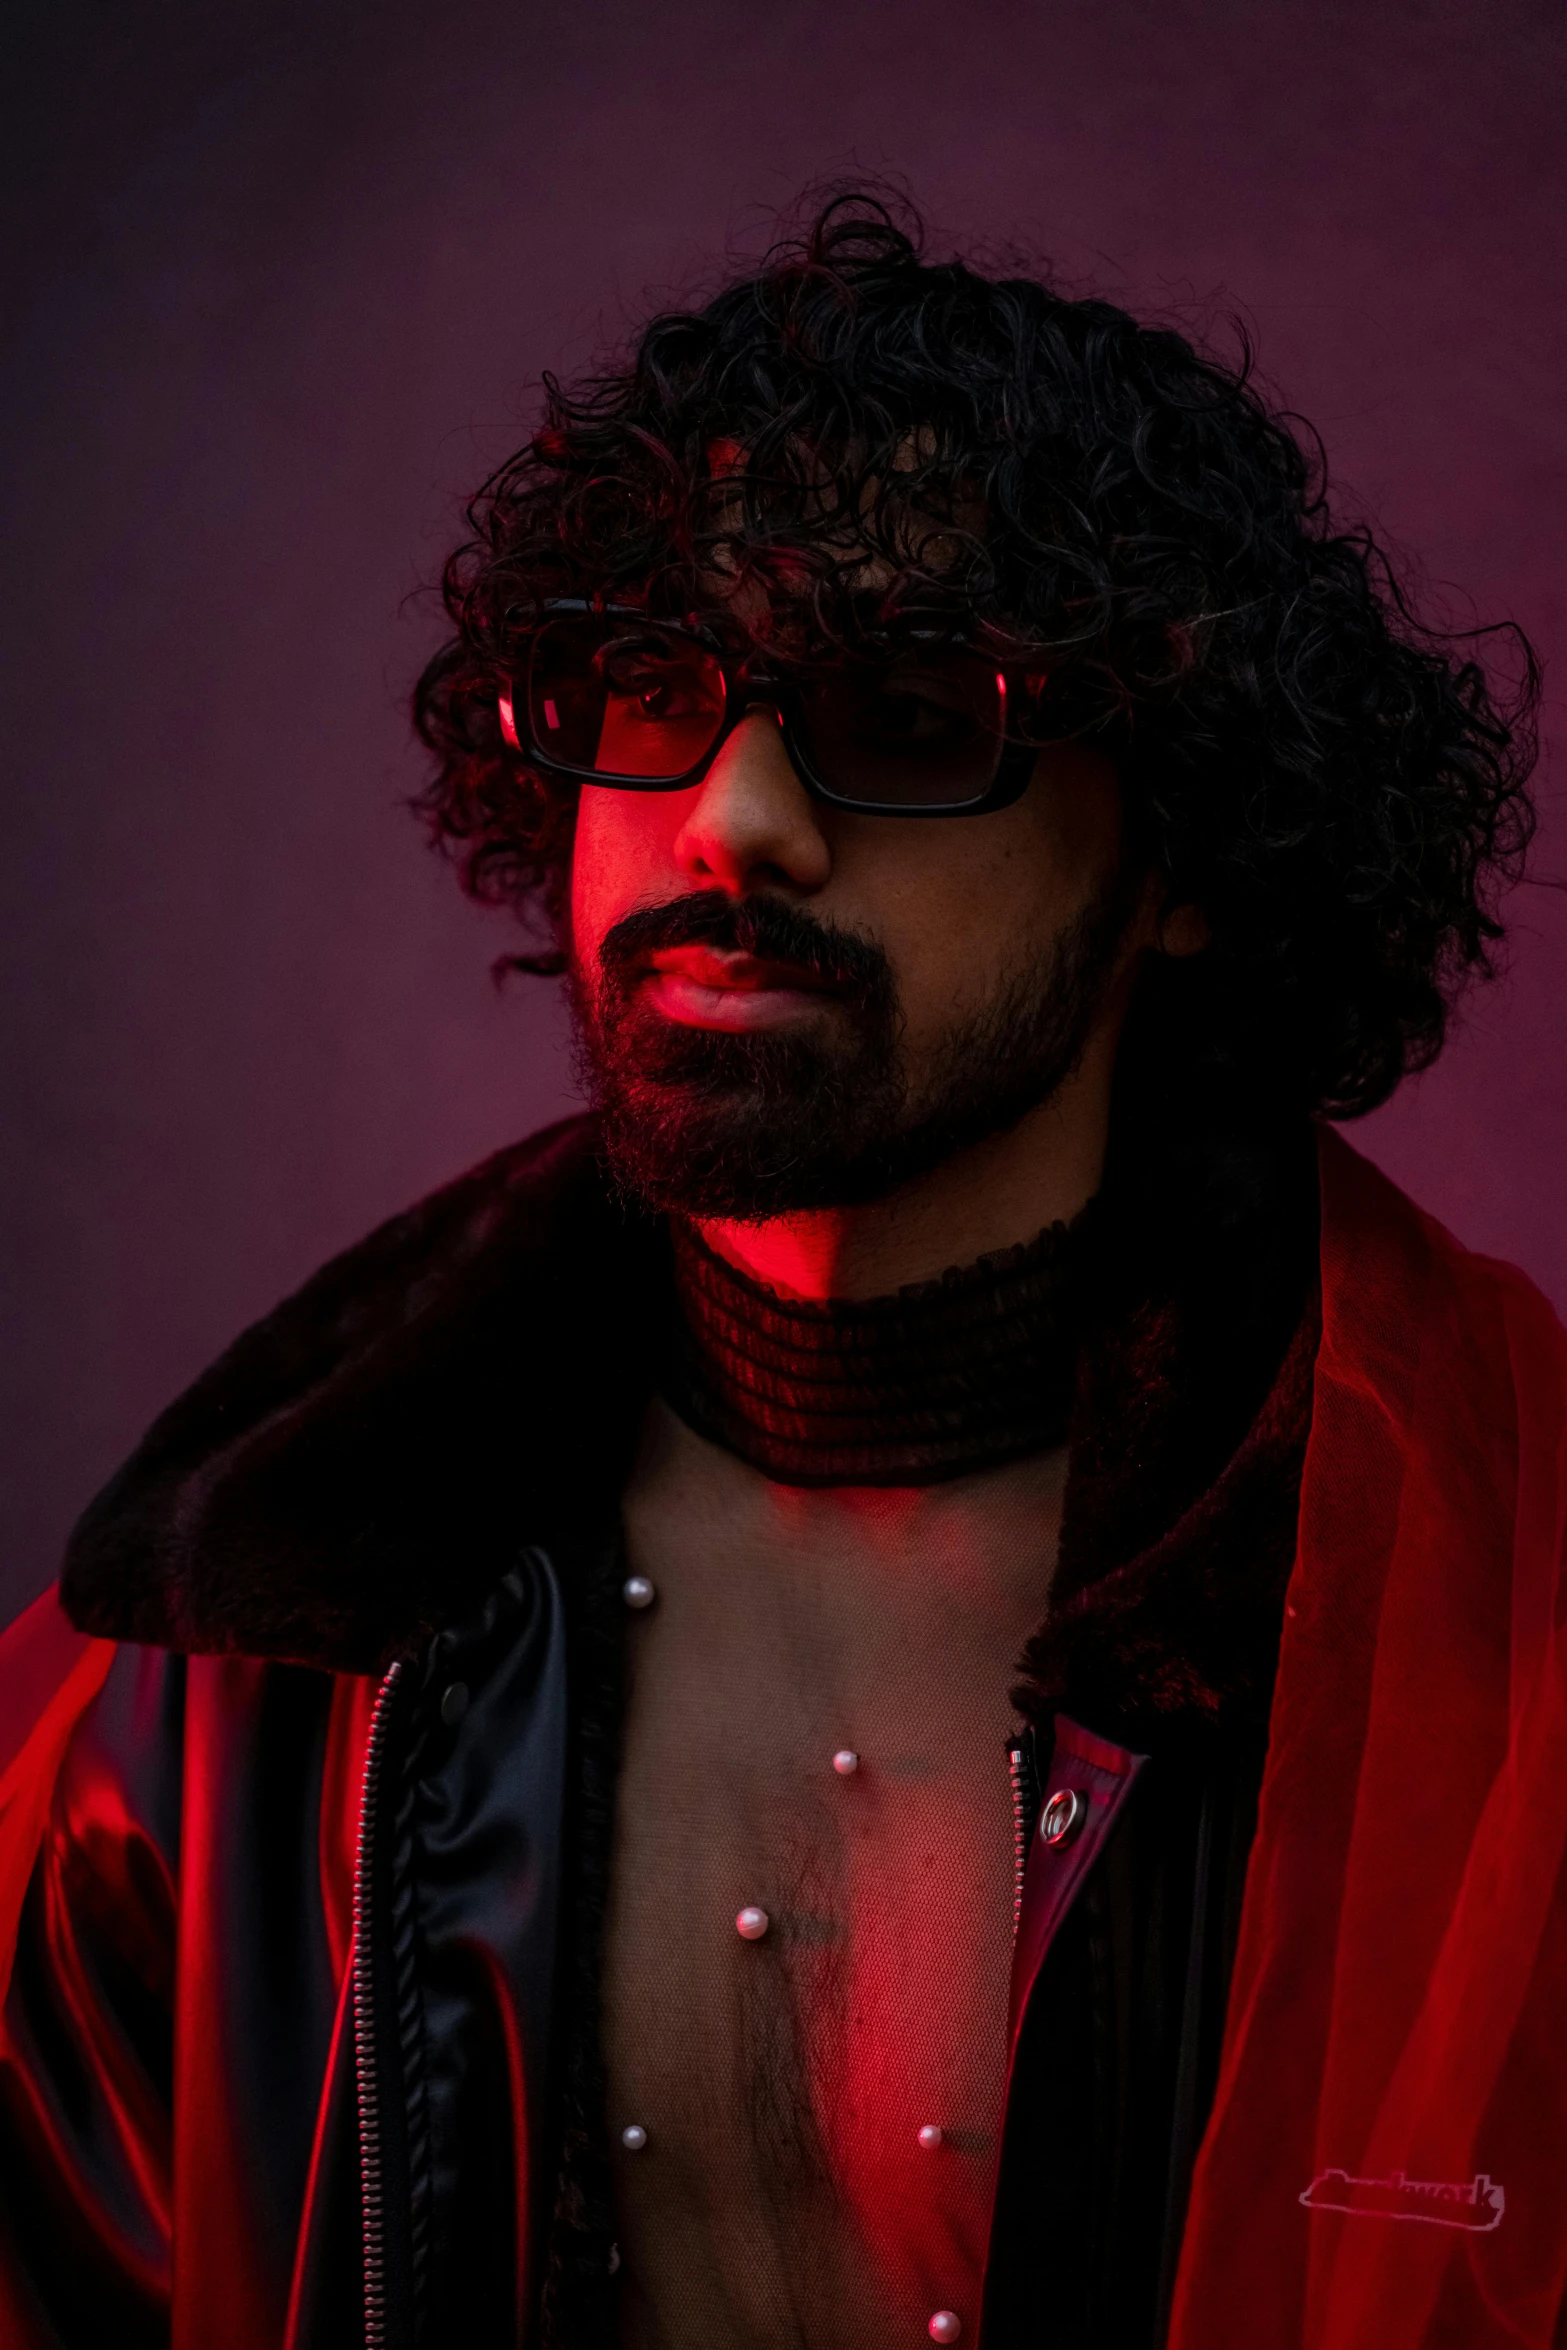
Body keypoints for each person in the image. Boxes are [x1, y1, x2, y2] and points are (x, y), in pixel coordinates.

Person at [0, 192, 1562, 2350]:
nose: (733, 816)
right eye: (647, 686)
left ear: (1185, 856)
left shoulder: (1505, 1629)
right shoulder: (223, 1672)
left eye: (910, 710)